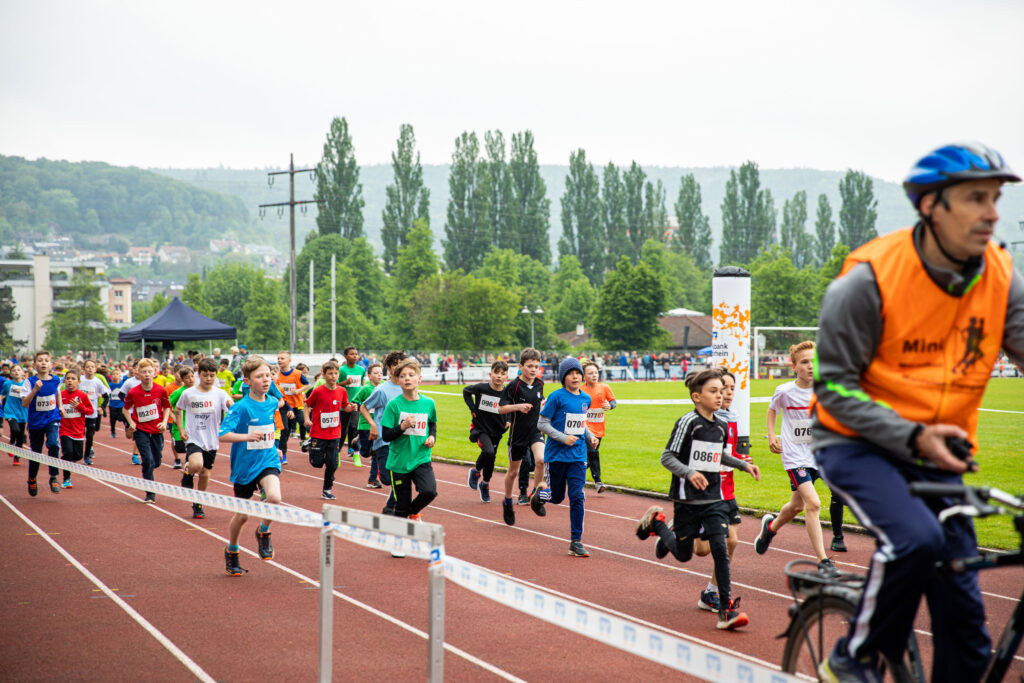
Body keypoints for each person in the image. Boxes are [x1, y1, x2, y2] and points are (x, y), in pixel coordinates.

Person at [813, 143, 1024, 683]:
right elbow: (834, 392)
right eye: (976, 198)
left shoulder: (1002, 276)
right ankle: (851, 659)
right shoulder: (867, 281)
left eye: (995, 198)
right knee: (916, 539)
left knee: (969, 638)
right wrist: (914, 436)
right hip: (856, 445)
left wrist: (932, 443)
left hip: (942, 457)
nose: (993, 213)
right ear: (930, 205)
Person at [635, 369, 761, 631]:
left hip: (714, 499)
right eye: (713, 391)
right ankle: (658, 524)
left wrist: (741, 465)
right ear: (696, 396)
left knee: (721, 549)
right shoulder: (688, 423)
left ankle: (726, 611)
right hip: (687, 500)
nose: (721, 395)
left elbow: (718, 456)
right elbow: (667, 457)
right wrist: (690, 473)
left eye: (722, 391)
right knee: (683, 555)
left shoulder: (721, 426)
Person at [754, 341, 839, 575]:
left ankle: (770, 528)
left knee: (795, 506)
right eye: (804, 362)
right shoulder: (785, 392)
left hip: (818, 456)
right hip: (794, 457)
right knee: (813, 504)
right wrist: (772, 435)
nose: (810, 366)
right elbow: (772, 410)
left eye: (814, 361)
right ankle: (823, 561)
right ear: (793, 366)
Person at [218, 357, 283, 575]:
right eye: (260, 377)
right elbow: (223, 435)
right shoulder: (240, 408)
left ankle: (264, 531)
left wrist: (273, 444)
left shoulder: (273, 402)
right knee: (243, 515)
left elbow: (276, 410)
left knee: (274, 498)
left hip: (268, 460)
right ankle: (232, 549)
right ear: (247, 381)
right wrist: (247, 437)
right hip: (244, 466)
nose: (266, 380)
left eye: (268, 376)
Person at [693, 367, 750, 612]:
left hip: (726, 491)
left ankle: (712, 592)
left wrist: (741, 460)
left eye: (731, 388)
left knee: (732, 541)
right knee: (702, 550)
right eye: (721, 388)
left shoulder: (733, 417)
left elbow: (726, 453)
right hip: (705, 492)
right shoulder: (702, 421)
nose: (727, 393)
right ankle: (675, 528)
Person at [538, 358, 598, 556]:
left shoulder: (585, 399)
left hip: (578, 455)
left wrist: (590, 437)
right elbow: (542, 423)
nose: (575, 377)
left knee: (577, 496)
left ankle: (576, 540)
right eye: (571, 373)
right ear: (563, 377)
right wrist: (563, 438)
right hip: (556, 455)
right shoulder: (556, 397)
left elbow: (582, 423)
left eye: (578, 373)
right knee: (556, 497)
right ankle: (538, 496)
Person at [380, 359, 438, 525]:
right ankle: (398, 544)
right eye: (403, 376)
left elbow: (432, 423)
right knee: (401, 507)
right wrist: (402, 426)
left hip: (421, 457)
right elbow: (386, 436)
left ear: (419, 379)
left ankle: (412, 512)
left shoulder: (429, 403)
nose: (407, 378)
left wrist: (432, 436)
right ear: (398, 381)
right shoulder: (394, 405)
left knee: (429, 492)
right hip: (399, 462)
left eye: (411, 375)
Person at [174, 358, 232, 519]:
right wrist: (181, 429)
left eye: (212, 376)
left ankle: (199, 501)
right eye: (205, 375)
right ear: (199, 374)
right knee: (196, 465)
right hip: (194, 437)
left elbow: (231, 407)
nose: (208, 379)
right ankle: (188, 471)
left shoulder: (220, 393)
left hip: (212, 439)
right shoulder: (188, 393)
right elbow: (178, 410)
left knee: (205, 473)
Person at [497, 348, 549, 526]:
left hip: (535, 431)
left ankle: (535, 496)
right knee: (513, 472)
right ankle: (508, 501)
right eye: (530, 366)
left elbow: (541, 405)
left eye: (536, 366)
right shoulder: (513, 386)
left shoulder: (540, 384)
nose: (534, 369)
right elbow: (501, 408)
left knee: (541, 460)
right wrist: (518, 406)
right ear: (521, 367)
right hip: (517, 435)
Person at [360, 351, 408, 512]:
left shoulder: (408, 387)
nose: (400, 367)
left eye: (403, 364)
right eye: (396, 364)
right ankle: (393, 501)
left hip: (403, 441)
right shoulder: (382, 390)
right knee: (388, 479)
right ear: (389, 367)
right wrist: (373, 425)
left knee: (402, 477)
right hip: (384, 440)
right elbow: (364, 407)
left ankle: (394, 507)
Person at [123, 358, 172, 503]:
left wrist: (164, 422)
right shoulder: (133, 392)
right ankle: (150, 493)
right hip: (141, 429)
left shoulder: (161, 390)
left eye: (149, 372)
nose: (147, 374)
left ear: (155, 373)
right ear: (138, 374)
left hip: (156, 430)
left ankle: (148, 468)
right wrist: (131, 423)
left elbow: (167, 407)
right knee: (148, 460)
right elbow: (125, 409)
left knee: (156, 462)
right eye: (143, 372)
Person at [304, 360, 354, 500]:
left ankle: (327, 489)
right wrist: (307, 419)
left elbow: (345, 406)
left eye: (336, 373)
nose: (333, 376)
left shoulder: (342, 391)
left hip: (334, 433)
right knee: (317, 463)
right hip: (318, 433)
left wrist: (351, 408)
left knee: (332, 464)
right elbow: (307, 405)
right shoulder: (318, 391)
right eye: (330, 373)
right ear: (324, 375)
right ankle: (309, 445)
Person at [463, 360, 509, 503]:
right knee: (488, 452)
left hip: (497, 430)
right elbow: (466, 391)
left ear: (507, 377)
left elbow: (511, 406)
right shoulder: (482, 388)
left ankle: (485, 484)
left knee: (491, 459)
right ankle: (476, 471)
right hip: (481, 428)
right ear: (490, 374)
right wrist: (472, 409)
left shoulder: (507, 393)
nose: (499, 376)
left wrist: (509, 420)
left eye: (503, 374)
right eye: (496, 373)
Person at [22, 351, 64, 496]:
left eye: (46, 360)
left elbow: (57, 393)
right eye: (40, 360)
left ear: (51, 364)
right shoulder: (30, 382)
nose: (44, 363)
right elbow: (24, 403)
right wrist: (35, 390)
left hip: (52, 418)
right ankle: (32, 478)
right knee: (36, 453)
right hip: (36, 423)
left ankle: (53, 476)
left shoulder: (56, 380)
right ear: (35, 365)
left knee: (53, 444)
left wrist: (61, 406)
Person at [581, 360, 616, 493]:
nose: (594, 375)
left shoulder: (605, 387)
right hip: (585, 428)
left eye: (596, 372)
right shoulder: (580, 389)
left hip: (599, 428)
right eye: (590, 373)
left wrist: (610, 406)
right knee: (592, 451)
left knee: (588, 457)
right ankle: (598, 481)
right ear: (584, 376)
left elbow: (613, 401)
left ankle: (575, 473)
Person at [58, 369, 93, 489]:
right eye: (68, 378)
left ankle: (68, 464)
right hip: (64, 430)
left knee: (78, 456)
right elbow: (54, 410)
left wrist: (80, 406)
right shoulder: (60, 395)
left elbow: (90, 411)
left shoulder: (82, 395)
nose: (70, 381)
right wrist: (59, 412)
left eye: (73, 379)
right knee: (67, 453)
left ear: (78, 382)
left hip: (78, 431)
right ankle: (66, 479)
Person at [350, 363, 384, 487]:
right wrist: (356, 406)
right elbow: (355, 401)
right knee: (366, 453)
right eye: (376, 373)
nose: (379, 375)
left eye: (380, 373)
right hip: (365, 425)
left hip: (379, 425)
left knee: (376, 452)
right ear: (369, 376)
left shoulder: (384, 388)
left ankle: (372, 479)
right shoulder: (365, 389)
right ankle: (356, 443)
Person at [275, 351, 307, 465]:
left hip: (297, 405)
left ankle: (309, 440)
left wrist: (298, 390)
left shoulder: (297, 373)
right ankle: (283, 454)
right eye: (278, 358)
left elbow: (308, 384)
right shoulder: (276, 375)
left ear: (289, 360)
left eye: (282, 358)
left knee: (304, 422)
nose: (279, 360)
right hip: (284, 406)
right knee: (285, 430)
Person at [78, 359, 109, 466]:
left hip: (92, 413)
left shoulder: (97, 382)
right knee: (79, 434)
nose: (90, 369)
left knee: (90, 435)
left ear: (95, 369)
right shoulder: (80, 380)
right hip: (79, 413)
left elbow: (106, 396)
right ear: (83, 369)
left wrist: (102, 407)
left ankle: (86, 456)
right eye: (88, 367)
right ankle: (77, 453)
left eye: (92, 367)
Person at [338, 347, 366, 453]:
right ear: (345, 356)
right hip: (344, 404)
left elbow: (361, 383)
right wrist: (344, 383)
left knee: (354, 425)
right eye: (352, 354)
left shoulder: (361, 370)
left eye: (356, 354)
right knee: (343, 429)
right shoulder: (341, 370)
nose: (355, 356)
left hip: (356, 402)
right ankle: (338, 451)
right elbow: (334, 385)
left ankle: (352, 448)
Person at [167, 366, 194, 470]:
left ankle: (188, 463)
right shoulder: (179, 392)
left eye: (192, 376)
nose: (191, 379)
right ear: (182, 380)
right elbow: (166, 405)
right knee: (181, 448)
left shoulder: (197, 390)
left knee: (192, 447)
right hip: (180, 423)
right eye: (187, 377)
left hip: (193, 424)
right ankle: (176, 449)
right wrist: (173, 416)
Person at [4, 365, 28, 465]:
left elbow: (29, 397)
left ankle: (17, 457)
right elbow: (3, 394)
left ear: (23, 373)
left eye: (18, 370)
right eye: (14, 370)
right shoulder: (7, 384)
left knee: (21, 436)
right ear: (11, 373)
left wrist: (23, 393)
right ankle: (12, 442)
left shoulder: (26, 385)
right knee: (15, 429)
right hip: (10, 411)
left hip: (22, 412)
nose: (16, 372)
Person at [107, 366, 129, 439]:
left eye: (117, 374)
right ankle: (113, 431)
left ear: (120, 376)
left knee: (123, 417)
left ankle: (126, 426)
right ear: (111, 376)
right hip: (112, 405)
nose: (115, 376)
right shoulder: (110, 385)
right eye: (113, 374)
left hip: (121, 405)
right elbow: (107, 394)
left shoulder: (123, 384)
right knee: (112, 420)